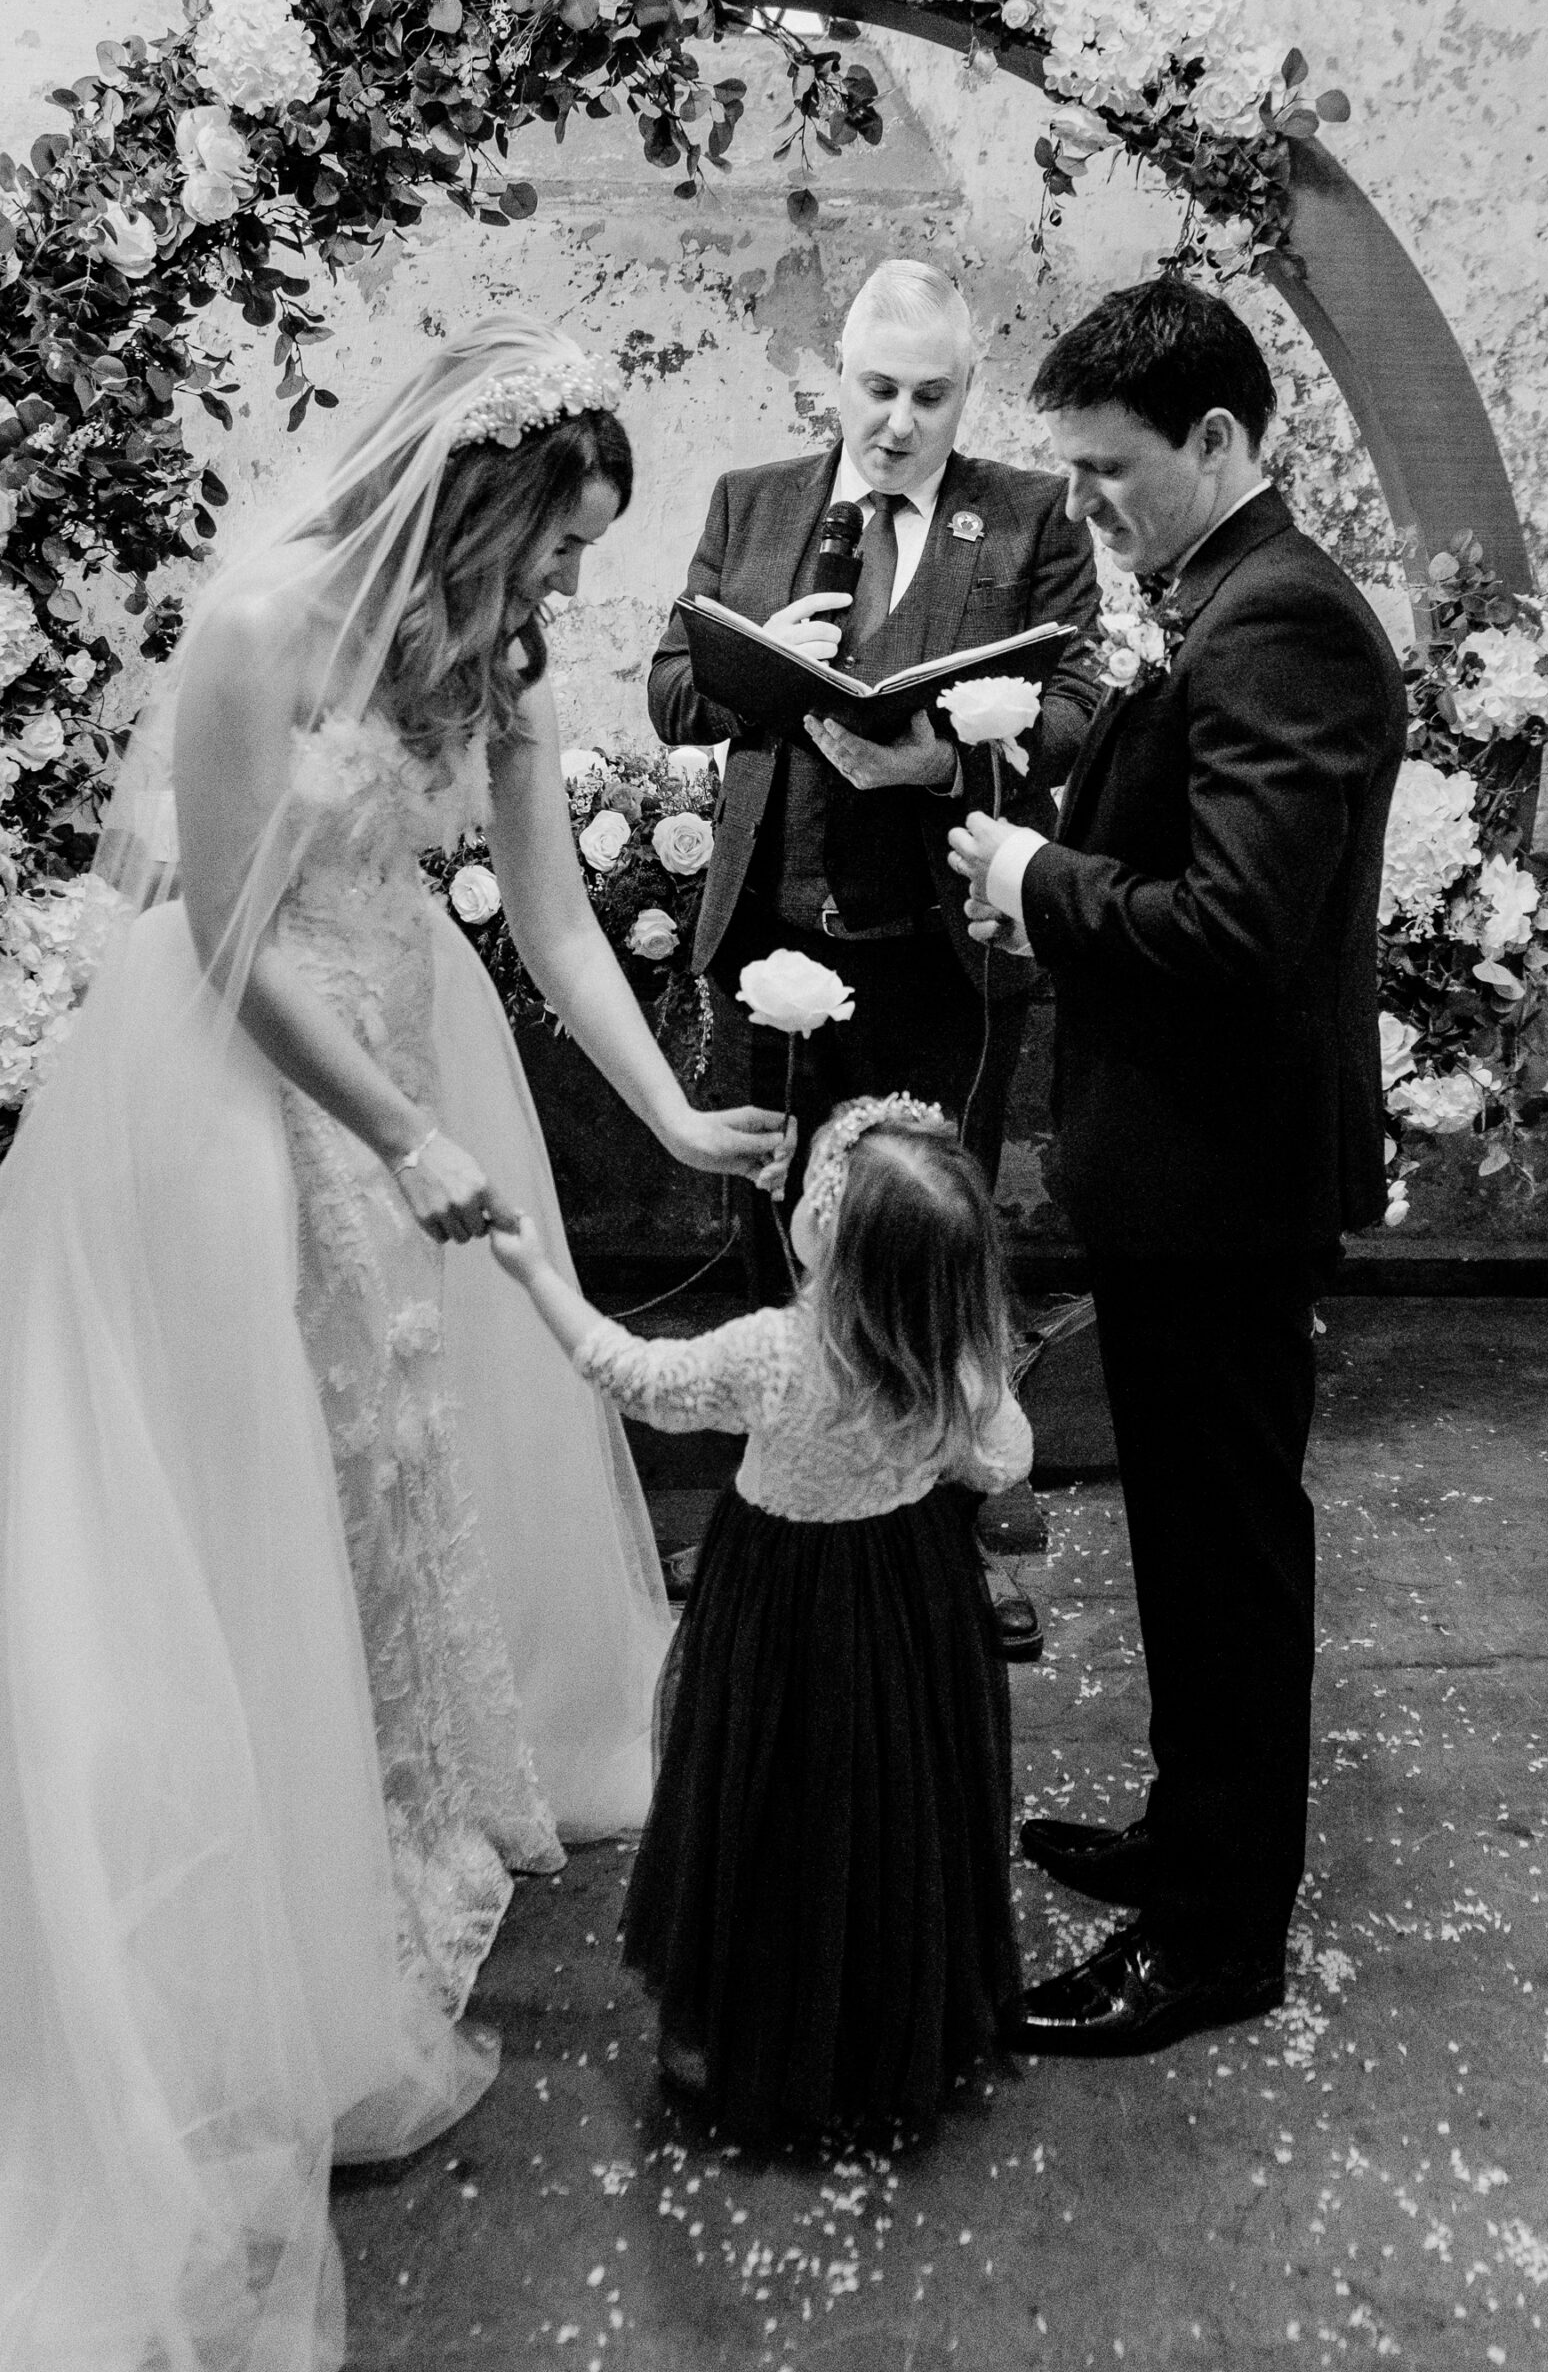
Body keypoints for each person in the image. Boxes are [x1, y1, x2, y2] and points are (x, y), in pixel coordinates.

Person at [0, 319, 782, 2366]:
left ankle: (378, 1821)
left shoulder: (496, 666)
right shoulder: (262, 619)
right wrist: (405, 1131)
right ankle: (265, 1887)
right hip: (234, 1097)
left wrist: (667, 1107)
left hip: (409, 1057)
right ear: (468, 498)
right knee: (270, 1470)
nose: (560, 599)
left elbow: (544, 916)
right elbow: (238, 940)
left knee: (389, 1470)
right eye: (551, 550)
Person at [950, 278, 1407, 2057]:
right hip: (1170, 1166)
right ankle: (1184, 1829)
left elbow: (1232, 929)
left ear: (1217, 440)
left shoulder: (1280, 619)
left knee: (1227, 1554)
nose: (1084, 510)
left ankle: (1218, 1941)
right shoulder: (1207, 593)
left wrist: (1027, 885)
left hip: (1222, 1176)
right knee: (1187, 1541)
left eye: (1108, 472)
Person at [648, 257, 1102, 1658]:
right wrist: (751, 662)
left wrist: (948, 748)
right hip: (771, 940)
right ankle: (780, 1521)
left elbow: (1078, 703)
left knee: (929, 1248)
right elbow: (670, 688)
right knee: (769, 1221)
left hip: (938, 949)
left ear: (965, 390)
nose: (896, 420)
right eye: (874, 388)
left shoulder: (1027, 515)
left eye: (928, 393)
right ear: (833, 376)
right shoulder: (754, 503)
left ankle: (942, 1549)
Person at [491, 1094, 1031, 2138]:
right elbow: (1004, 1456)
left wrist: (531, 1270)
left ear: (827, 1234)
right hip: (906, 1600)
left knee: (772, 1805)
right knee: (885, 1809)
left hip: (779, 1601)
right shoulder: (950, 1347)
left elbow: (631, 1375)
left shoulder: (777, 1351)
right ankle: (883, 2024)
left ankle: (751, 2027)